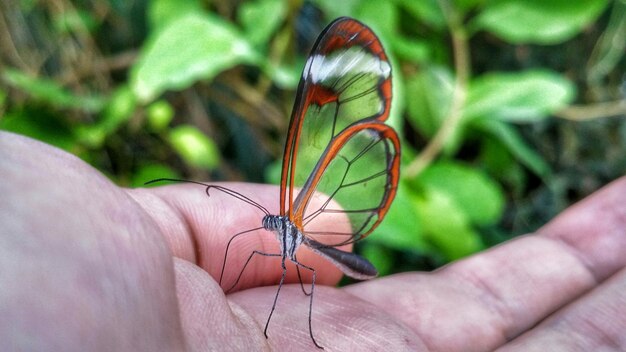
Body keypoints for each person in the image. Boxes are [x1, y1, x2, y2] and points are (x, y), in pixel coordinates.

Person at [1, 130, 625, 351]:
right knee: (262, 249)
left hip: (335, 254)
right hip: (325, 258)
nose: (269, 224)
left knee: (276, 252)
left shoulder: (292, 221)